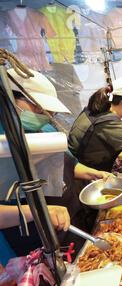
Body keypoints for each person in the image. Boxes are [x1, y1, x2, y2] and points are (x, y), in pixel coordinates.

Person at [0, 69, 107, 263]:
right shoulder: (3, 142)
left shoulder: (44, 127)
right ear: (8, 100)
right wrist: (38, 211)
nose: (46, 114)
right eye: (38, 108)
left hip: (71, 221)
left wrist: (93, 173)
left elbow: (66, 162)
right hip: (35, 239)